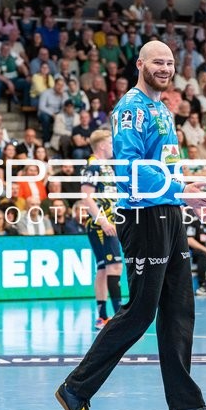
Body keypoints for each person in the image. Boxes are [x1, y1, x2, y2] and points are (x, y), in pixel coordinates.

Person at [56, 40, 206, 410]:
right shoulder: (131, 110)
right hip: (143, 215)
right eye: (158, 61)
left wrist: (187, 195)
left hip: (167, 213)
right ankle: (75, 389)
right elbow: (132, 168)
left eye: (169, 62)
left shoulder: (163, 109)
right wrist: (179, 191)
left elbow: (166, 165)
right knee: (139, 312)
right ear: (140, 64)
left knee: (179, 308)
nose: (165, 68)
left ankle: (186, 405)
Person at [79, 130, 123, 330]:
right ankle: (120, 317)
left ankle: (103, 317)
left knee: (104, 269)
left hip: (109, 222)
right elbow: (86, 197)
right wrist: (103, 221)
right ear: (102, 145)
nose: (113, 146)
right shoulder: (93, 165)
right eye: (111, 143)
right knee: (114, 267)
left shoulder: (105, 166)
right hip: (100, 225)